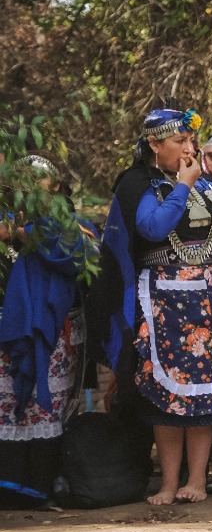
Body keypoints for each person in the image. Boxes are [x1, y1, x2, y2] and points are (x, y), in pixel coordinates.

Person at [86, 108, 212, 505]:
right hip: (159, 305)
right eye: (179, 143)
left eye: (192, 143)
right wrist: (184, 186)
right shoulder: (140, 185)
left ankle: (198, 481)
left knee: (204, 395)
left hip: (209, 304)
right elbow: (152, 228)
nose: (190, 151)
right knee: (164, 395)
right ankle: (168, 483)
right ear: (154, 145)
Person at [0, 157, 97, 501]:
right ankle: (9, 485)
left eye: (38, 179)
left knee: (46, 406)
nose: (30, 185)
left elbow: (81, 259)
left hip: (53, 332)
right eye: (22, 179)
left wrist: (29, 235)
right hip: (7, 330)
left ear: (56, 187)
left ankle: (39, 484)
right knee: (7, 404)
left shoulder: (74, 225)